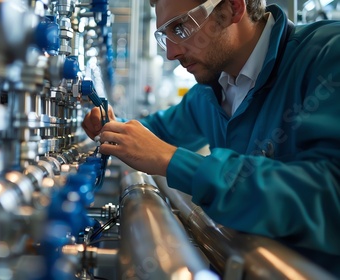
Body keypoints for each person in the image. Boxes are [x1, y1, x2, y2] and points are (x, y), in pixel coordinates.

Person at [82, 0, 340, 276]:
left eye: (180, 28)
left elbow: (329, 192)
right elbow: (151, 134)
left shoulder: (327, 54)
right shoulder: (210, 91)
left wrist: (172, 161)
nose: (171, 52)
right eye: (164, 36)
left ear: (232, 8)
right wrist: (111, 125)